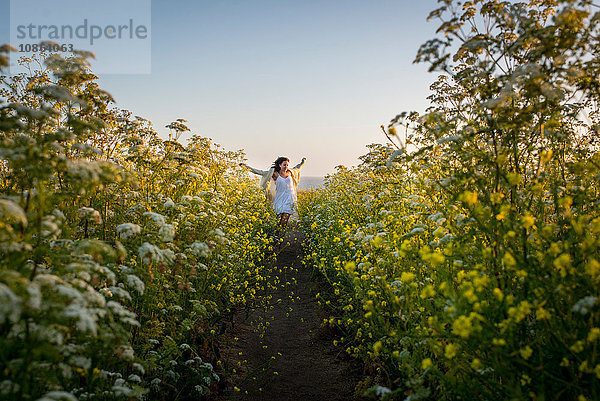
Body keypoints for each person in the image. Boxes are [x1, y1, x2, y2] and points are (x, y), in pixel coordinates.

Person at [240, 157, 306, 228]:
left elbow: (298, 168)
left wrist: (303, 161)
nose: (286, 167)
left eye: (287, 165)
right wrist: (245, 166)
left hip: (290, 199)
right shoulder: (274, 174)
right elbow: (259, 172)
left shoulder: (290, 173)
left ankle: (281, 237)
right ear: (280, 165)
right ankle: (276, 236)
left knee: (284, 222)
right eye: (284, 165)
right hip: (279, 199)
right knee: (277, 221)